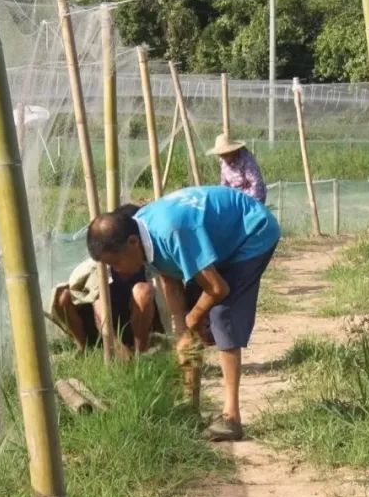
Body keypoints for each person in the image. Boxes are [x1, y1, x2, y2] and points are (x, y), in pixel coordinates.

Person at [86, 186, 281, 441]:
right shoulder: (141, 232)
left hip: (251, 232)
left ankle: (231, 418)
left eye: (115, 263)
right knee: (191, 328)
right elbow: (169, 278)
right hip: (218, 239)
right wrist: (182, 327)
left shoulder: (172, 232)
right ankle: (191, 409)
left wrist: (193, 319)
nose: (117, 271)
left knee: (222, 315)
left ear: (132, 243)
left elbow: (217, 288)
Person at [44, 211, 164, 356]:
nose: (116, 267)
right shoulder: (99, 269)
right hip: (101, 324)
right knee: (62, 296)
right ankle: (85, 349)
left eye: (118, 262)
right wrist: (114, 345)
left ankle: (140, 352)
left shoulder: (143, 256)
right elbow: (100, 309)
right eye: (111, 263)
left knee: (142, 292)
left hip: (134, 321)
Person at [207, 133, 267, 204]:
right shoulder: (223, 162)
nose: (222, 157)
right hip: (234, 199)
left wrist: (250, 203)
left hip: (251, 199)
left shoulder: (246, 159)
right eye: (220, 155)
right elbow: (224, 185)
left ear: (232, 151)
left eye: (225, 154)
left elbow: (256, 184)